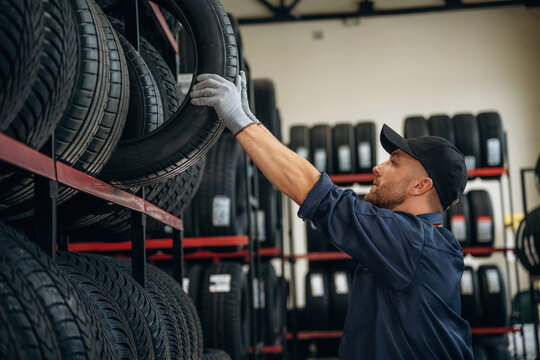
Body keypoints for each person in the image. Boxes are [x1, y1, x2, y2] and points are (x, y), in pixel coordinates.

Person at [190, 72, 473, 359]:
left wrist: (241, 122)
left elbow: (318, 195)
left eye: (393, 163)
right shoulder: (414, 242)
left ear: (420, 185)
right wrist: (252, 122)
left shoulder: (413, 242)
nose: (378, 168)